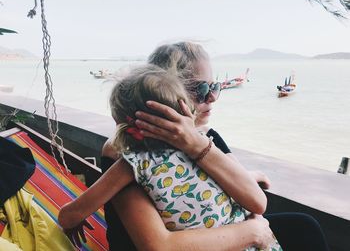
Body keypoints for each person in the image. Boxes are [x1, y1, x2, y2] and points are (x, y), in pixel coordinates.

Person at [101, 42, 329, 251]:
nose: (211, 98)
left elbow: (256, 201)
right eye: (199, 89)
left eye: (214, 87)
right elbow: (158, 245)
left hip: (214, 230)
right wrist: (252, 232)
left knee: (304, 227)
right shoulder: (128, 153)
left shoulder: (207, 137)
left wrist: (195, 143)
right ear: (163, 91)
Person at [58, 63, 281, 250]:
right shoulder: (203, 150)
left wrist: (73, 220)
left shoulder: (131, 166)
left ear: (121, 124)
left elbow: (68, 215)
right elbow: (255, 202)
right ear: (183, 111)